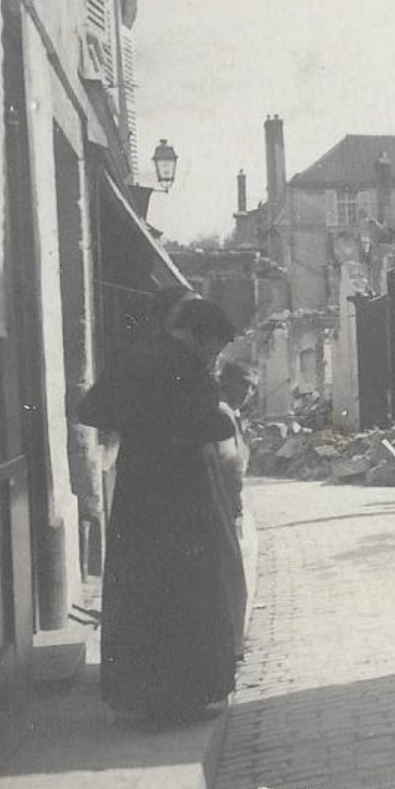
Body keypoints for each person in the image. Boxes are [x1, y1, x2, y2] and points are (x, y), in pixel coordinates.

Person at [78, 297, 240, 724]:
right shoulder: (187, 367)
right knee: (189, 592)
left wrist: (139, 427)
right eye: (216, 347)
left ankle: (142, 698)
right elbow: (209, 423)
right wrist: (189, 427)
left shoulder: (132, 357)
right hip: (184, 492)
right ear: (198, 335)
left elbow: (91, 408)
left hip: (137, 491)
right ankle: (183, 699)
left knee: (141, 592)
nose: (214, 356)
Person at [209, 361, 260, 653]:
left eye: (253, 387)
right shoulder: (221, 413)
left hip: (232, 503)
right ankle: (230, 646)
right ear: (225, 382)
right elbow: (226, 466)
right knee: (230, 578)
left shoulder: (233, 415)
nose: (248, 392)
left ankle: (234, 643)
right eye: (243, 384)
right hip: (223, 504)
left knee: (237, 577)